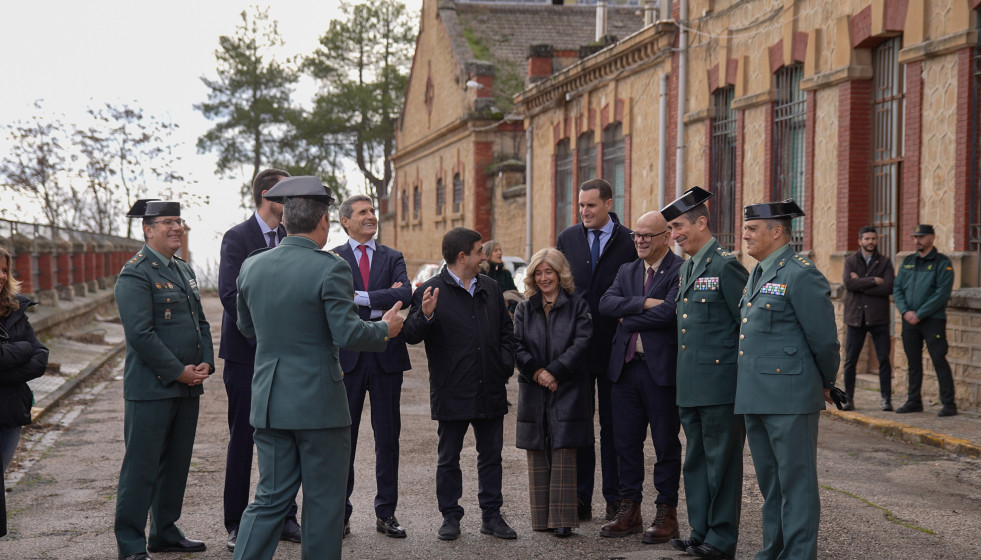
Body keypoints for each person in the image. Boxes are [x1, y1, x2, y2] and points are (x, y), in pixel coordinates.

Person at [233, 177, 403, 560]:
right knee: (324, 503)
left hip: (271, 400)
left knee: (269, 499)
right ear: (324, 222)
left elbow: (247, 328)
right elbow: (347, 332)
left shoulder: (252, 266)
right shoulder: (331, 267)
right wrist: (384, 329)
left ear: (286, 221)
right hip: (320, 405)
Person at [736, 200, 840, 560]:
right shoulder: (759, 271)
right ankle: (774, 551)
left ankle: (797, 555)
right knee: (771, 485)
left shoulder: (801, 273)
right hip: (756, 396)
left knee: (797, 485)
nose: (744, 234)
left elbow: (824, 339)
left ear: (776, 231)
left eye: (752, 229)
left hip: (791, 397)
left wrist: (827, 381)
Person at [114, 200, 214, 560]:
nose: (176, 227)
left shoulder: (184, 269)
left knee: (175, 465)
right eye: (168, 222)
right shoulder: (136, 273)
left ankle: (164, 532)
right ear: (147, 229)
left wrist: (205, 362)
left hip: (188, 386)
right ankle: (130, 544)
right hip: (151, 389)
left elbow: (199, 321)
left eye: (179, 221)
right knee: (141, 469)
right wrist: (178, 371)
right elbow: (140, 334)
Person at [403, 227, 518, 542]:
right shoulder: (430, 290)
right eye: (480, 251)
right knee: (448, 458)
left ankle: (492, 517)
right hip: (451, 389)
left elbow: (507, 334)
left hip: (489, 387)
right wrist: (424, 316)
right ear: (462, 256)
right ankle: (450, 517)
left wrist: (503, 366)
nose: (484, 256)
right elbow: (411, 334)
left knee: (491, 457)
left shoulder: (491, 288)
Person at [218, 169, 300, 550]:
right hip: (246, 356)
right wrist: (264, 336)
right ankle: (236, 523)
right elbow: (230, 295)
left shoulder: (290, 238)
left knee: (285, 437)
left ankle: (286, 517)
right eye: (288, 191)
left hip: (286, 357)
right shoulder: (237, 237)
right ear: (268, 194)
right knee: (243, 440)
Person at [663, 187, 748, 560]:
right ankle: (701, 532)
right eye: (670, 228)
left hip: (721, 387)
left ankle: (722, 539)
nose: (674, 234)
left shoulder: (725, 266)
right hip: (691, 386)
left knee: (723, 466)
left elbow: (746, 326)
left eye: (679, 226)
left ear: (701, 222)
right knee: (696, 462)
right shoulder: (689, 267)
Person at [598, 210, 683, 543]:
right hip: (626, 370)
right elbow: (606, 304)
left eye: (648, 235)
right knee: (626, 445)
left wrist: (628, 316)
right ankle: (629, 509)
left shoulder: (680, 270)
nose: (641, 240)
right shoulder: (627, 269)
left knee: (665, 445)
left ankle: (667, 513)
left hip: (660, 373)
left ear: (666, 237)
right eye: (637, 235)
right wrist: (645, 302)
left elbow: (672, 312)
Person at [330, 194, 412, 538]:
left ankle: (386, 513)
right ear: (345, 220)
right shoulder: (331, 258)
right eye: (363, 212)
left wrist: (359, 298)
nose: (371, 216)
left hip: (386, 358)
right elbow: (332, 301)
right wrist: (382, 299)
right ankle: (340, 515)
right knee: (341, 440)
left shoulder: (393, 256)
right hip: (346, 359)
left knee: (387, 438)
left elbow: (406, 294)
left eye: (373, 211)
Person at [555, 178, 636, 521]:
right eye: (581, 205)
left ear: (608, 204)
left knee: (615, 426)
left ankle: (616, 498)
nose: (584, 212)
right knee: (579, 425)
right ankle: (580, 497)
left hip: (616, 347)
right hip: (577, 348)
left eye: (591, 205)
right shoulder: (567, 238)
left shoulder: (630, 241)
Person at [512, 248, 593, 538]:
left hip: (567, 387)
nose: (544, 277)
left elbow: (582, 342)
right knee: (537, 450)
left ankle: (562, 519)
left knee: (563, 451)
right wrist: (538, 373)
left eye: (549, 271)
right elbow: (517, 345)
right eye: (538, 272)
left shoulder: (577, 305)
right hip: (535, 388)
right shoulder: (524, 308)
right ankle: (541, 517)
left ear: (560, 273)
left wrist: (555, 371)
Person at [0, 245, 49, 539]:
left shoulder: (14, 308)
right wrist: (21, 350)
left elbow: (40, 355)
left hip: (10, 411)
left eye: (4, 269)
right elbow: (27, 350)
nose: (1, 275)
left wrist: (7, 365)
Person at [893, 224, 957, 417]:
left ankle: (949, 404)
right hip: (909, 320)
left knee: (939, 360)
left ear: (932, 238)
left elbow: (942, 293)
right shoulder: (908, 262)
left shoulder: (942, 262)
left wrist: (919, 314)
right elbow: (897, 289)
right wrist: (905, 311)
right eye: (915, 237)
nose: (917, 240)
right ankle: (914, 401)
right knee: (913, 362)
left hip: (932, 320)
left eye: (921, 237)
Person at [842, 225, 895, 411]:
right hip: (855, 317)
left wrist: (860, 283)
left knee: (883, 360)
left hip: (878, 318)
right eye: (867, 239)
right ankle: (848, 399)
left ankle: (886, 399)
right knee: (850, 360)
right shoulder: (850, 261)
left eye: (873, 239)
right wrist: (873, 280)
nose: (870, 242)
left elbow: (888, 287)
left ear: (876, 240)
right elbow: (848, 283)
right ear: (860, 241)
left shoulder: (885, 262)